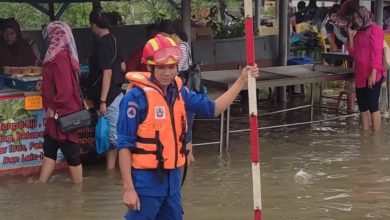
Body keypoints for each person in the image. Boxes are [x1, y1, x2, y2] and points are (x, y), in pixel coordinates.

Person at [117, 34, 259, 220]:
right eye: (161, 67)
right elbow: (123, 145)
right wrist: (128, 188)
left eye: (171, 67)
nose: (167, 73)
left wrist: (241, 81)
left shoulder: (180, 92)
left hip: (173, 184)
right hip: (146, 185)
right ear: (150, 67)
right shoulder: (135, 99)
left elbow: (214, 109)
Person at [39, 21, 83, 184]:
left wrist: (54, 108)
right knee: (49, 148)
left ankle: (78, 191)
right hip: (55, 115)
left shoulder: (60, 58)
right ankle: (41, 185)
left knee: (70, 151)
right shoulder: (55, 57)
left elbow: (65, 91)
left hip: (63, 114)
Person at [88, 7, 126, 170]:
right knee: (112, 138)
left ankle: (134, 171)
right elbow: (123, 67)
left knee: (117, 139)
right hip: (118, 93)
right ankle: (110, 171)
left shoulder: (102, 44)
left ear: (94, 25)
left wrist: (102, 100)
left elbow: (107, 72)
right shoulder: (114, 40)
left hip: (109, 97)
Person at [159, 21, 196, 165]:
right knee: (185, 124)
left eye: (165, 37)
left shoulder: (180, 48)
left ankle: (188, 157)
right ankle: (188, 157)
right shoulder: (184, 46)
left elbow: (175, 73)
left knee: (185, 124)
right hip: (185, 89)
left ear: (173, 35)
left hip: (184, 91)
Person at [347, 6, 385, 133]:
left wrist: (374, 72)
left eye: (358, 17)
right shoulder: (359, 33)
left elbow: (377, 52)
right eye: (355, 18)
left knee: (373, 106)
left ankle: (376, 136)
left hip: (373, 73)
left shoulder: (375, 29)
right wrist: (351, 35)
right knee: (363, 107)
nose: (356, 20)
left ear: (365, 16)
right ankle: (365, 136)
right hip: (360, 75)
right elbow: (353, 54)